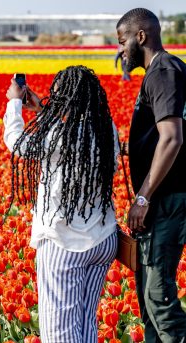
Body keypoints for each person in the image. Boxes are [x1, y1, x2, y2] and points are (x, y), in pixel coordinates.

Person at [3, 66, 118, 342]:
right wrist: (41, 109)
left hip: (65, 244)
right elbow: (68, 135)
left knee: (60, 333)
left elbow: (18, 143)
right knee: (85, 324)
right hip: (103, 240)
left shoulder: (60, 134)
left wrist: (14, 103)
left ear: (64, 100)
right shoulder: (105, 129)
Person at [116, 8, 186, 341]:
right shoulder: (164, 71)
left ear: (140, 36)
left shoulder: (164, 71)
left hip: (167, 200)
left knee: (158, 297)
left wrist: (143, 196)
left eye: (121, 41)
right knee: (147, 295)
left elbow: (172, 137)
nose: (119, 51)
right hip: (164, 198)